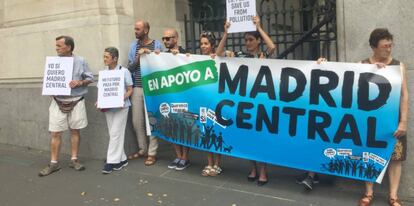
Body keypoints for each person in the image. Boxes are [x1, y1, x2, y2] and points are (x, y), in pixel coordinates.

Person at [216, 16, 276, 185]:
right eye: (246, 40)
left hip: (261, 103)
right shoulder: (239, 55)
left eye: (251, 40)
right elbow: (220, 53)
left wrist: (259, 27)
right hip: (245, 103)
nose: (247, 43)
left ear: (258, 41)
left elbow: (272, 46)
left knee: (261, 138)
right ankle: (253, 168)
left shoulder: (264, 56)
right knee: (249, 137)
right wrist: (226, 33)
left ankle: (263, 170)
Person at [358, 28, 408, 206]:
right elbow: (347, 86)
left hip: (392, 120)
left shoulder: (398, 65)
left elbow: (404, 94)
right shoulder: (362, 65)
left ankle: (393, 196)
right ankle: (368, 193)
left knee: (395, 158)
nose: (389, 49)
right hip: (369, 121)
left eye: (390, 45)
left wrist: (403, 121)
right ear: (374, 47)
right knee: (367, 154)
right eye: (385, 46)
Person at [39, 35, 93, 177]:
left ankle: (74, 160)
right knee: (55, 132)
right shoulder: (53, 62)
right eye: (56, 45)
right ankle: (54, 163)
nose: (56, 48)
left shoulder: (81, 61)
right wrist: (50, 88)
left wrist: (79, 82)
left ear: (68, 47)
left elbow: (90, 78)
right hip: (58, 101)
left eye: (59, 46)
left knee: (75, 131)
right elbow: (48, 80)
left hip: (76, 99)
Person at [127, 20, 162, 166]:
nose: (135, 31)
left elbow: (162, 63)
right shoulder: (133, 46)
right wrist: (138, 57)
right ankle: (143, 149)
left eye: (138, 29)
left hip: (153, 87)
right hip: (138, 87)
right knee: (137, 121)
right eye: (135, 29)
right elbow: (130, 67)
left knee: (151, 119)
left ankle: (152, 153)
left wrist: (151, 53)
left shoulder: (157, 44)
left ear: (146, 30)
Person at [159, 28, 191, 171]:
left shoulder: (186, 53)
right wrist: (148, 54)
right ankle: (178, 156)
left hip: (184, 97)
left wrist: (181, 56)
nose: (165, 41)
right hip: (169, 96)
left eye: (168, 38)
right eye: (163, 38)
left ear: (176, 39)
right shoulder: (162, 56)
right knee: (172, 125)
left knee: (185, 126)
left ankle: (185, 157)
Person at [99, 47, 133, 174]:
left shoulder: (124, 71)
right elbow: (103, 91)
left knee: (115, 133)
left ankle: (112, 162)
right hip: (108, 108)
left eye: (107, 57)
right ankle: (122, 159)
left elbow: (130, 89)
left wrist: (120, 98)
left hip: (122, 107)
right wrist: (99, 101)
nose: (104, 59)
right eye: (104, 56)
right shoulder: (104, 72)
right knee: (114, 133)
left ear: (115, 58)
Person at [196, 31, 223, 176]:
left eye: (206, 43)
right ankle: (209, 163)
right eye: (201, 44)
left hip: (215, 101)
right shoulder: (196, 59)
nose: (203, 46)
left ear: (212, 45)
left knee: (216, 131)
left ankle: (217, 164)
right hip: (202, 103)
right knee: (205, 132)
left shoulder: (218, 57)